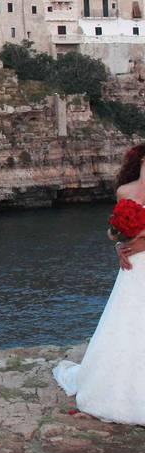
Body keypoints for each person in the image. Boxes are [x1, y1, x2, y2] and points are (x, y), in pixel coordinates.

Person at [54, 143, 145, 424]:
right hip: (133, 266)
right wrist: (118, 243)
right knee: (126, 323)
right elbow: (113, 229)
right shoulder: (124, 192)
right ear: (142, 159)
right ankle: (117, 392)